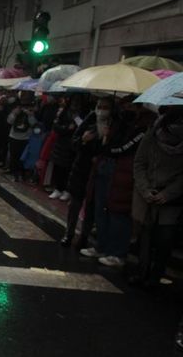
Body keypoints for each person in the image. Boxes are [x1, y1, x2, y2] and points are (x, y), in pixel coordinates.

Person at [80, 99, 150, 267]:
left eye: (130, 105)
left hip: (123, 171)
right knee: (101, 209)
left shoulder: (143, 125)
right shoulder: (117, 120)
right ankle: (101, 246)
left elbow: (125, 147)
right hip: (106, 166)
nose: (126, 108)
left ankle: (117, 253)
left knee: (118, 212)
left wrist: (109, 146)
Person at [130, 106, 183, 288]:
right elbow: (139, 163)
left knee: (164, 240)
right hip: (149, 194)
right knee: (146, 236)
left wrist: (168, 193)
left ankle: (155, 276)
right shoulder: (152, 135)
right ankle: (142, 271)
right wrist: (146, 190)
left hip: (172, 200)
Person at [61, 98, 112, 247]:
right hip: (81, 168)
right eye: (100, 106)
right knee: (75, 203)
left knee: (92, 206)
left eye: (106, 107)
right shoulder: (90, 119)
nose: (102, 109)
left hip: (99, 171)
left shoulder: (114, 124)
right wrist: (83, 140)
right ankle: (69, 234)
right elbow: (74, 142)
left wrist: (105, 143)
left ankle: (84, 236)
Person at [48, 98, 76, 200]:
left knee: (68, 169)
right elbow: (56, 126)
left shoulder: (81, 114)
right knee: (58, 167)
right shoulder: (63, 112)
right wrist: (66, 128)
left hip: (72, 146)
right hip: (61, 144)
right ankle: (58, 188)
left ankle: (66, 190)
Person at [7, 104, 35, 181]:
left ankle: (22, 174)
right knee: (14, 156)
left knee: (22, 157)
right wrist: (14, 113)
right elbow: (9, 121)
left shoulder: (29, 113)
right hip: (14, 137)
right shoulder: (15, 112)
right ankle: (14, 173)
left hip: (24, 138)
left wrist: (30, 115)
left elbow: (33, 124)